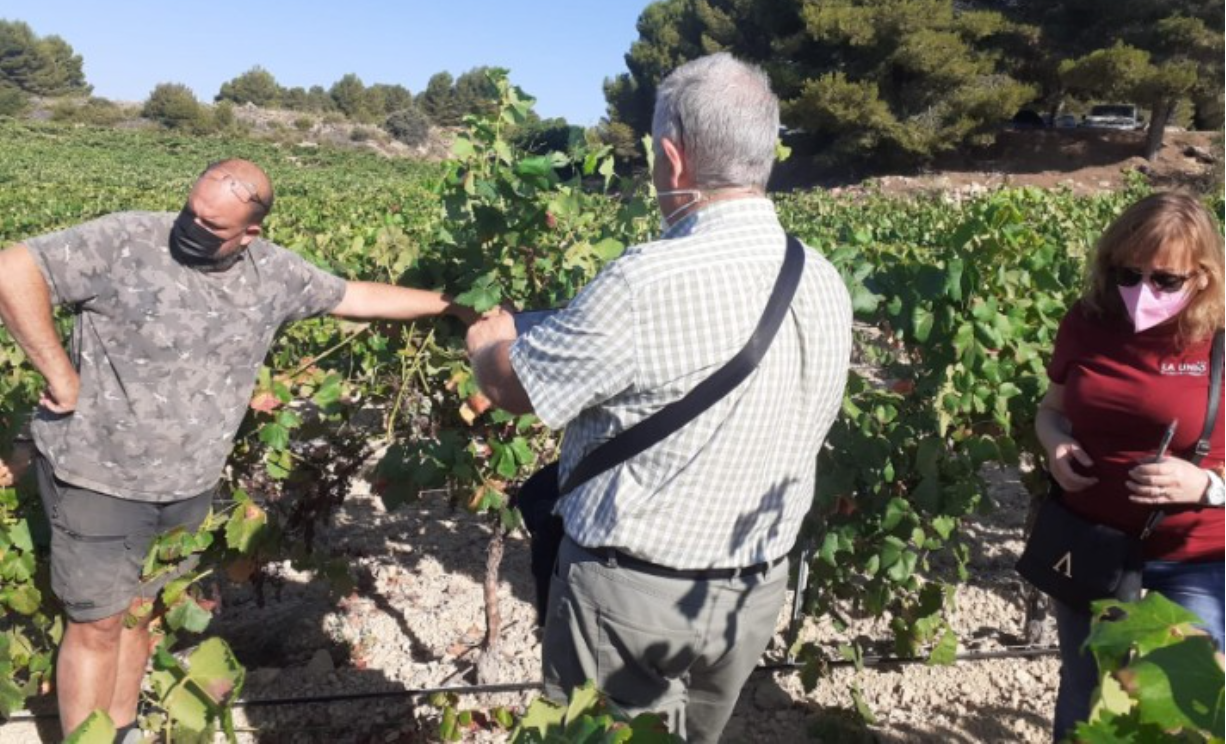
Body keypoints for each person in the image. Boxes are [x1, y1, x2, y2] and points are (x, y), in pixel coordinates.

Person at [0, 159, 473, 738]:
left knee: (144, 616)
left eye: (213, 225)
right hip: (98, 478)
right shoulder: (125, 240)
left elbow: (354, 296)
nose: (191, 227)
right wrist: (59, 374)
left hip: (190, 488)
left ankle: (119, 730)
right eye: (190, 211)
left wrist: (447, 303)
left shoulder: (272, 274)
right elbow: (12, 267)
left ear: (250, 233)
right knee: (95, 624)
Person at [466, 53, 852, 742]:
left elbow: (511, 388)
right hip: (752, 597)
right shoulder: (823, 278)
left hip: (635, 603)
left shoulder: (646, 281)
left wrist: (487, 343)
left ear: (672, 159)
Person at [1034, 191, 1225, 741]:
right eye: (1128, 273)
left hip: (1193, 559)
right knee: (1087, 691)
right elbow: (1051, 410)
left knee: (1183, 711)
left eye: (1166, 280)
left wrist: (1207, 485)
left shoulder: (1220, 341)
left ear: (1203, 276)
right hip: (1091, 546)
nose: (1143, 293)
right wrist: (1055, 445)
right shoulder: (1088, 321)